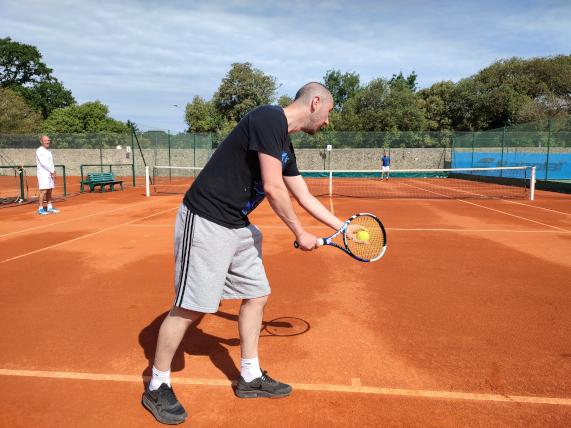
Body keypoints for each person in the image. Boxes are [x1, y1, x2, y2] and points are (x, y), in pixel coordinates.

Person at [142, 82, 346, 425]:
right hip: (206, 217)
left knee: (256, 293)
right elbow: (273, 186)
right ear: (315, 103)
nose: (327, 122)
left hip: (236, 223)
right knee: (191, 306)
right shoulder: (268, 118)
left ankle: (249, 377)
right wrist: (300, 233)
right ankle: (157, 384)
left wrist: (343, 227)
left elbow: (304, 196)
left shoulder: (284, 145)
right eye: (328, 113)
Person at [35, 135, 59, 215]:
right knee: (43, 191)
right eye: (45, 140)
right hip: (43, 174)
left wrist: (53, 171)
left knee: (49, 190)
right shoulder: (39, 151)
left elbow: (51, 163)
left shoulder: (48, 151)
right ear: (41, 141)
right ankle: (40, 208)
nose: (47, 142)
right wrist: (52, 171)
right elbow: (43, 163)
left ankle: (49, 207)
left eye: (48, 140)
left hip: (49, 173)